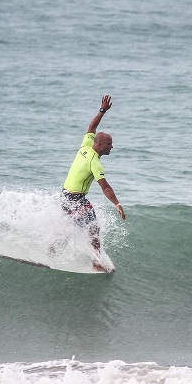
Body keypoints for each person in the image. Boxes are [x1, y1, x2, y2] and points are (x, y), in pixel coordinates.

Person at [61, 95, 126, 271]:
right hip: (75, 199)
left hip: (64, 195)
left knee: (71, 226)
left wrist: (102, 111)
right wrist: (117, 203)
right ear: (100, 145)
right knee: (93, 228)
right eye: (109, 144)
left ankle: (52, 250)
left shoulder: (85, 145)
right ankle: (96, 263)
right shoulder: (94, 163)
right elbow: (105, 187)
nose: (111, 147)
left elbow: (92, 127)